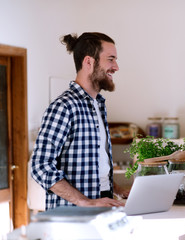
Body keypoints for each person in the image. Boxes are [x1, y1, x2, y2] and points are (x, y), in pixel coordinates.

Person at [31, 32, 129, 210]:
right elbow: (40, 166)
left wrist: (117, 190)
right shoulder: (64, 107)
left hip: (102, 203)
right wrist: (84, 202)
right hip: (73, 218)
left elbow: (95, 164)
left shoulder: (98, 105)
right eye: (111, 59)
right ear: (89, 62)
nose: (116, 67)